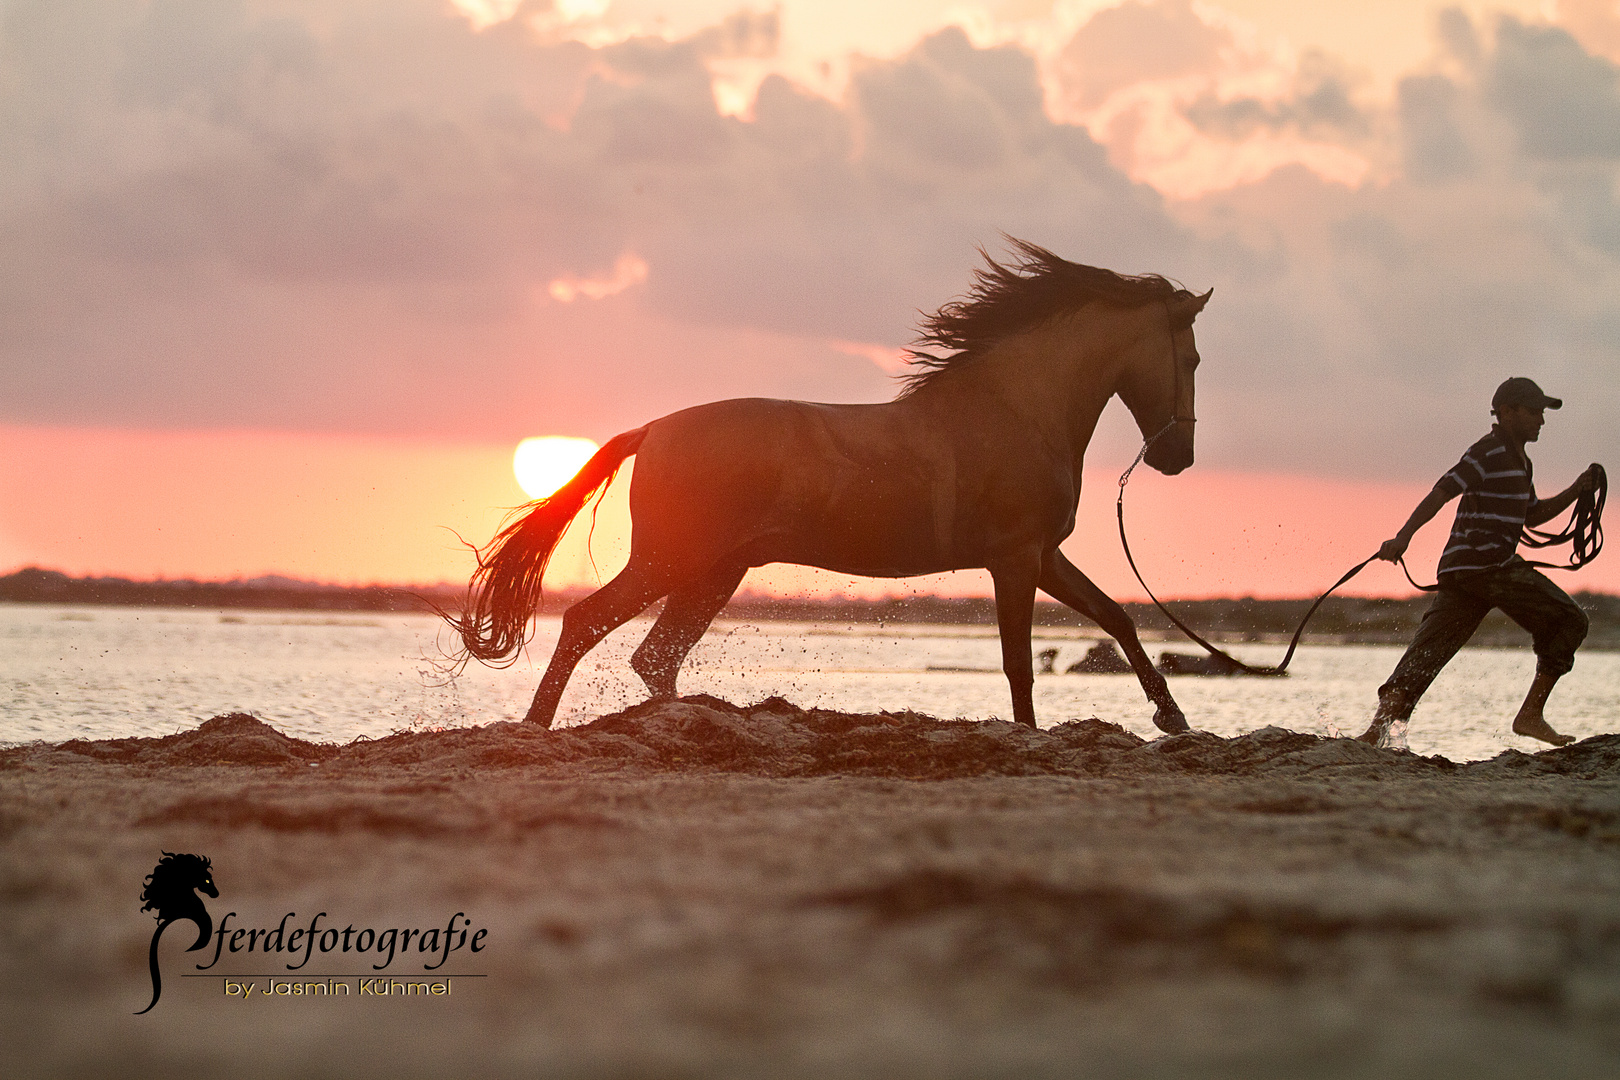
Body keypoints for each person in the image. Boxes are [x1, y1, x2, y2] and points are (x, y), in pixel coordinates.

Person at [1358, 377, 1602, 748]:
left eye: (1542, 413)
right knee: (1570, 619)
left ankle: (1374, 733)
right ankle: (1531, 715)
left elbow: (1532, 516)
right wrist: (1403, 536)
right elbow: (1442, 491)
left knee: (1428, 652)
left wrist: (1575, 490)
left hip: (1464, 573)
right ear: (1507, 413)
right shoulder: (1487, 451)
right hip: (1487, 567)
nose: (1541, 420)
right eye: (1534, 411)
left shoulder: (1521, 462)